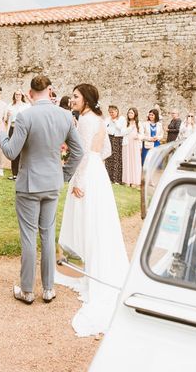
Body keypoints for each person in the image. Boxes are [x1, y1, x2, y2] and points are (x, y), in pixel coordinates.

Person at [0, 75, 83, 305]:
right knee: (47, 235)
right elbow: (78, 151)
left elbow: (11, 152)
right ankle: (47, 288)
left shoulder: (25, 116)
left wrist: (0, 135)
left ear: (29, 93)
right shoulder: (65, 116)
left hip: (29, 185)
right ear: (51, 90)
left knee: (28, 237)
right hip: (52, 184)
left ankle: (26, 290)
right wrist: (64, 175)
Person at [56, 83, 128, 336]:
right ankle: (93, 270)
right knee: (98, 222)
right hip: (99, 174)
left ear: (85, 99)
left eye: (75, 96)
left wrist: (78, 181)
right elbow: (104, 151)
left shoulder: (86, 120)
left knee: (88, 221)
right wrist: (94, 167)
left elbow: (84, 154)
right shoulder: (99, 118)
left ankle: (91, 273)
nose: (72, 99)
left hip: (87, 174)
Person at [5, 90, 31, 180]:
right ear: (14, 95)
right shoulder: (10, 106)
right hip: (12, 128)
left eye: (19, 94)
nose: (18, 96)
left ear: (22, 95)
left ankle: (21, 173)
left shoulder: (26, 106)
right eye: (16, 94)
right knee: (13, 151)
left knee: (22, 151)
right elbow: (6, 120)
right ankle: (14, 173)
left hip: (21, 129)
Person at [121, 107, 142, 188]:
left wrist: (139, 136)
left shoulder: (138, 123)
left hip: (135, 144)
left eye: (132, 113)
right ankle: (127, 180)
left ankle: (134, 181)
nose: (130, 114)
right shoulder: (125, 122)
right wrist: (130, 127)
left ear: (135, 114)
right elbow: (123, 132)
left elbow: (142, 134)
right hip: (127, 144)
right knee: (127, 161)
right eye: (129, 112)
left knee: (135, 162)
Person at [104, 105, 124, 184]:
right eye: (109, 112)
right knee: (109, 157)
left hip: (117, 139)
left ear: (116, 111)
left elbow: (120, 128)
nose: (111, 114)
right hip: (109, 138)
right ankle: (109, 178)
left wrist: (115, 121)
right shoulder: (107, 119)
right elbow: (105, 128)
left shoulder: (122, 119)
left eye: (112, 112)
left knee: (117, 158)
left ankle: (117, 179)